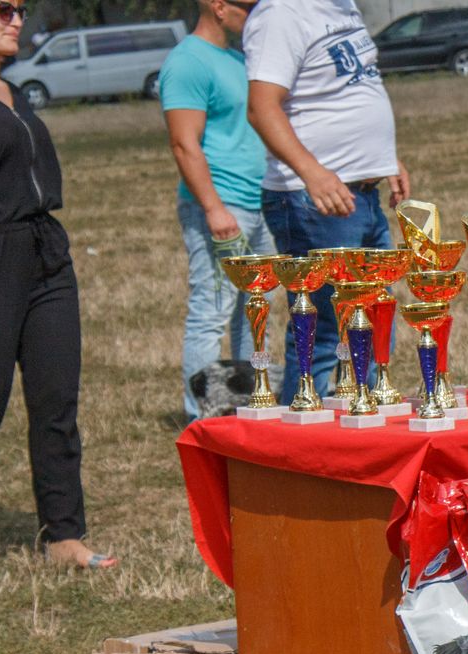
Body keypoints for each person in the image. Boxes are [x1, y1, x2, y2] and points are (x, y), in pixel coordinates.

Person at [0, 0, 115, 569]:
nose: (16, 19)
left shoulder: (15, 93)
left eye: (21, 9)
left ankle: (64, 536)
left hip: (45, 252)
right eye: (2, 8)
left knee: (55, 398)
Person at [243, 0, 410, 404]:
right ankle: (303, 438)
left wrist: (385, 159)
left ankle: (363, 415)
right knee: (322, 328)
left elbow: (352, 88)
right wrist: (312, 173)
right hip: (316, 200)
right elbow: (261, 109)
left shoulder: (342, 7)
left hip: (359, 194)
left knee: (369, 317)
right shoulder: (281, 13)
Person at [160, 0, 276, 424]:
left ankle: (251, 404)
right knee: (212, 313)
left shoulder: (238, 57)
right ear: (217, 5)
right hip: (221, 206)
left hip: (258, 204)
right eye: (248, 6)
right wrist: (213, 208)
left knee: (255, 308)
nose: (255, 13)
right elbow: (183, 143)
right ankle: (203, 419)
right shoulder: (188, 62)